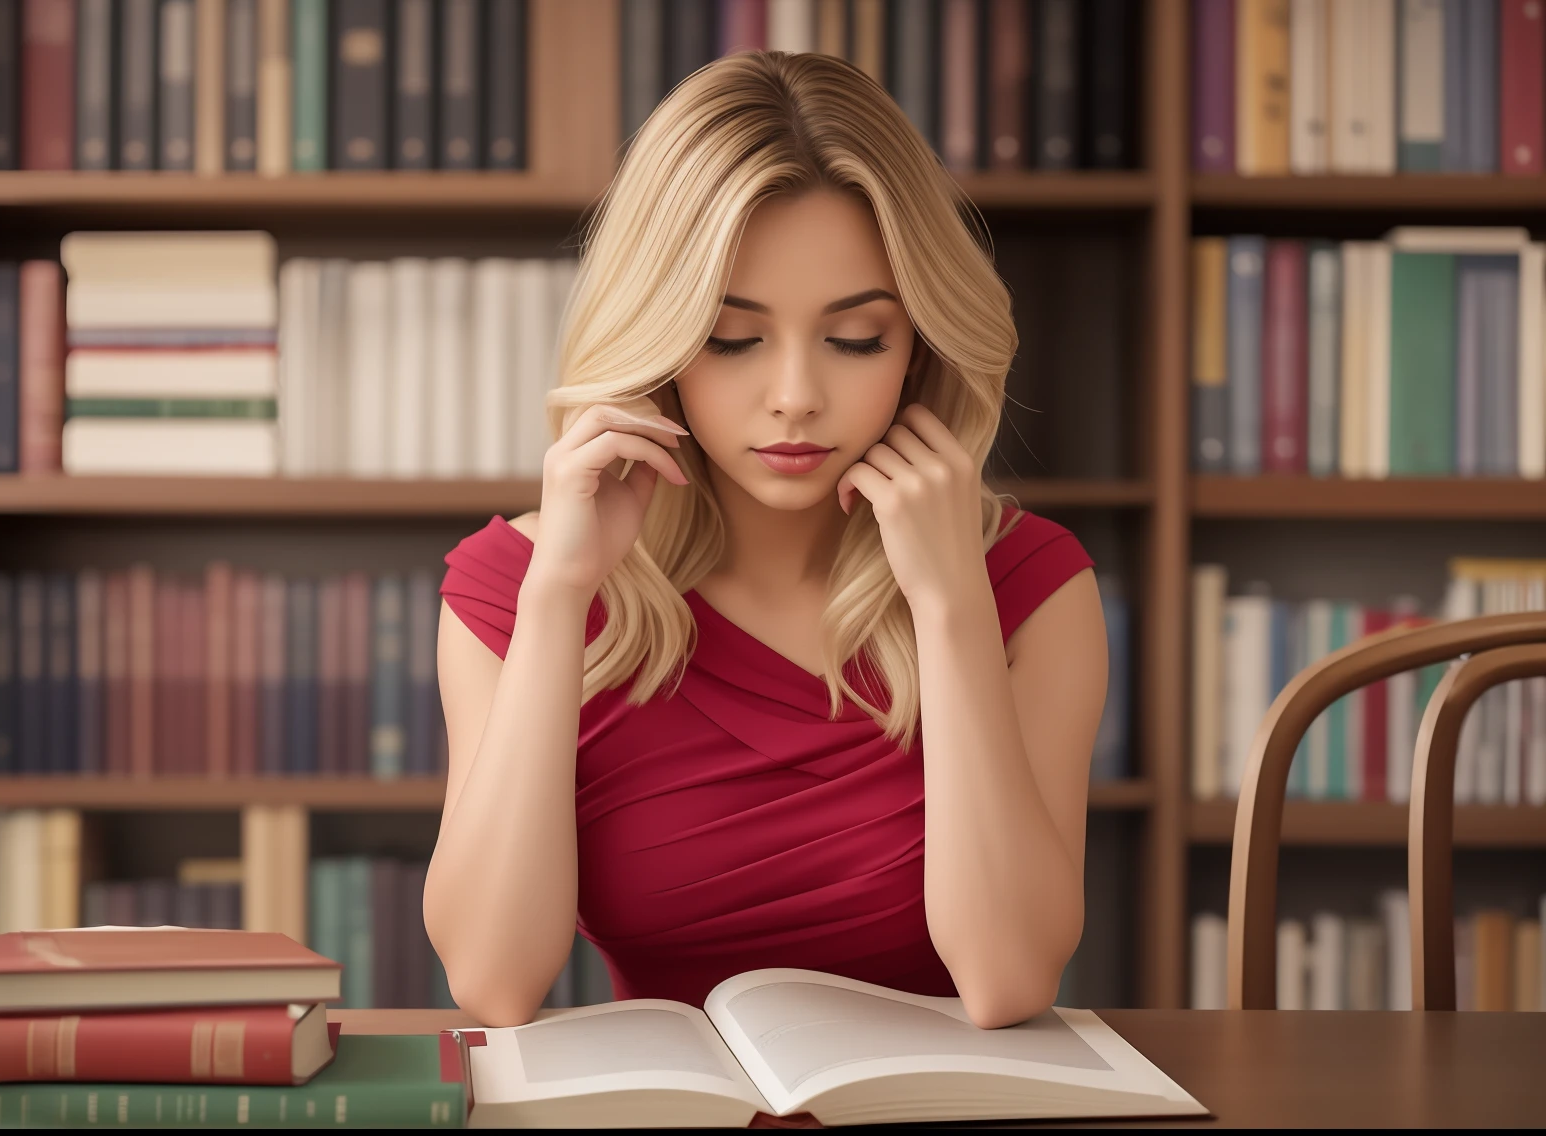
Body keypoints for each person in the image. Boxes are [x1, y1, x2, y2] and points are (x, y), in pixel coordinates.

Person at [422, 51, 1109, 1031]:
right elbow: (491, 981)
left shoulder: (1028, 585)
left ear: (918, 343)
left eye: (856, 337)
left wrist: (951, 604)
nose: (794, 394)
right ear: (657, 339)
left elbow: (1006, 980)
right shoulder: (511, 588)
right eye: (731, 337)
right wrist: (558, 591)